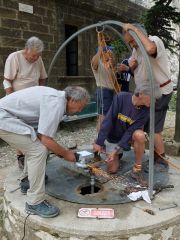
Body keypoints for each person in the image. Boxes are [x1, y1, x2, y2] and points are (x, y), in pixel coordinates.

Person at [0, 86, 89, 218]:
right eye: (80, 107)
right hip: (3, 118)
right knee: (38, 151)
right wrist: (66, 154)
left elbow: (44, 136)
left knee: (36, 148)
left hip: (7, 116)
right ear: (71, 100)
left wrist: (61, 151)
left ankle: (27, 181)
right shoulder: (57, 103)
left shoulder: (57, 98)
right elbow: (45, 139)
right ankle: (34, 203)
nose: (80, 110)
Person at [122, 23, 173, 165]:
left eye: (132, 40)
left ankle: (160, 158)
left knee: (153, 128)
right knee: (141, 124)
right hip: (145, 93)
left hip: (159, 92)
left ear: (140, 35)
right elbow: (139, 69)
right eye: (129, 42)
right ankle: (143, 152)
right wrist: (130, 67)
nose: (132, 45)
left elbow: (150, 49)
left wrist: (135, 30)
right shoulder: (136, 49)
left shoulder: (154, 41)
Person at [93, 82, 161, 186]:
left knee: (140, 135)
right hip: (113, 137)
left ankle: (137, 169)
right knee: (112, 170)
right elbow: (109, 120)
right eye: (153, 98)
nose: (155, 101)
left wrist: (116, 150)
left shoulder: (146, 110)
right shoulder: (121, 97)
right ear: (141, 94)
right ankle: (111, 153)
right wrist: (99, 141)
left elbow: (130, 132)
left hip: (128, 138)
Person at [3, 36, 47, 169]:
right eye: (33, 56)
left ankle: (36, 154)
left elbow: (43, 77)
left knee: (36, 126)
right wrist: (12, 100)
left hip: (34, 100)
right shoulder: (14, 57)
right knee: (20, 129)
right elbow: (7, 80)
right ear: (26, 50)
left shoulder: (38, 59)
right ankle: (20, 156)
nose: (35, 59)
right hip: (18, 100)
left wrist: (41, 92)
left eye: (38, 56)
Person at [91, 47, 117, 132]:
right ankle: (99, 140)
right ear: (103, 53)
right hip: (103, 91)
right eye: (108, 52)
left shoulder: (108, 65)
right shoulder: (98, 63)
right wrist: (100, 51)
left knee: (106, 116)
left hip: (109, 92)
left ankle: (102, 138)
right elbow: (94, 63)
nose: (110, 54)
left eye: (111, 53)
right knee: (103, 117)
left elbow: (113, 63)